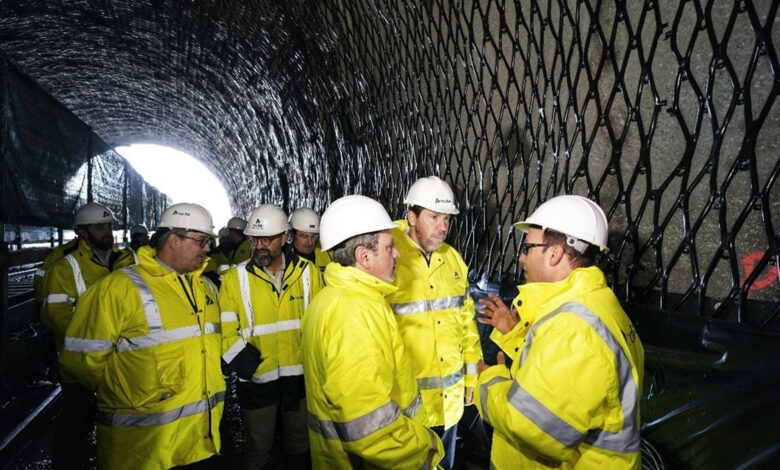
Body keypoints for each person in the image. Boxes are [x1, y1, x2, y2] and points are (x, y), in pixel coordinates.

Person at [475, 195, 645, 469]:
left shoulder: (573, 328)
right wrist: (516, 335)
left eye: (528, 247)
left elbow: (531, 427)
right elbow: (563, 383)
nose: (520, 257)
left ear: (554, 254)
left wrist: (489, 382)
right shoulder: (596, 303)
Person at [58, 203, 226, 470]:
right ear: (173, 240)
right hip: (140, 450)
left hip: (199, 444)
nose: (208, 249)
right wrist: (127, 388)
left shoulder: (205, 287)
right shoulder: (118, 288)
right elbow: (82, 362)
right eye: (202, 241)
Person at [302, 195, 444, 469]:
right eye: (389, 247)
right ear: (364, 257)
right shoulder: (354, 313)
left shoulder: (330, 298)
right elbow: (370, 429)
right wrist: (425, 449)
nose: (398, 253)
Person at [386, 176, 482, 469]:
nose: (443, 226)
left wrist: (471, 378)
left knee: (445, 463)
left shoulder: (453, 260)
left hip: (449, 402)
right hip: (406, 406)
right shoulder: (387, 257)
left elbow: (467, 324)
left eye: (447, 219)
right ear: (411, 217)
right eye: (434, 217)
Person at [220, 204, 324, 469]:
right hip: (257, 380)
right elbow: (225, 331)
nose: (259, 246)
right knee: (257, 446)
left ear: (284, 238)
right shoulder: (235, 279)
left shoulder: (308, 274)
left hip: (299, 378)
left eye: (266, 239)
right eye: (254, 240)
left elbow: (323, 323)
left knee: (300, 442)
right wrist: (250, 367)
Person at [40, 202, 135, 469]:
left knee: (118, 421)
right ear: (82, 232)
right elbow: (56, 315)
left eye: (109, 226)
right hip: (80, 363)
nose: (108, 232)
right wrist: (96, 343)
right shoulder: (65, 267)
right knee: (75, 418)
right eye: (100, 227)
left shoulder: (127, 260)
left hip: (122, 361)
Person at [288, 207, 332, 273]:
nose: (310, 242)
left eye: (314, 236)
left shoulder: (328, 257)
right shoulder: (283, 260)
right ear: (292, 235)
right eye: (304, 236)